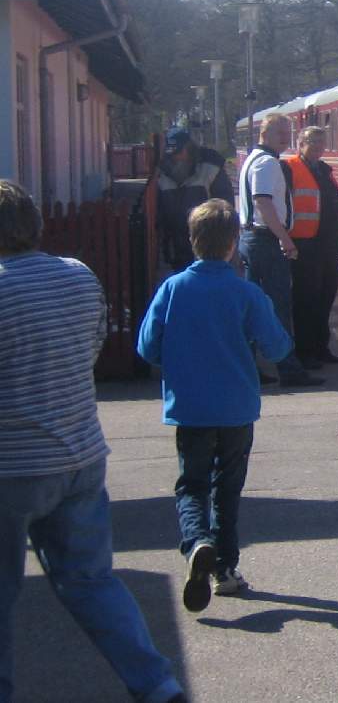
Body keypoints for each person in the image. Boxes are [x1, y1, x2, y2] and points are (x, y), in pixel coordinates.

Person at [0, 180, 185, 703]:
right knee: (92, 582)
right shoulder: (79, 277)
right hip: (80, 454)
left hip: (11, 466)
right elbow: (91, 347)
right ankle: (157, 685)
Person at [137, 199, 292, 610]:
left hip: (189, 406)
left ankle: (197, 542)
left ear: (192, 241)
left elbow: (147, 347)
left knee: (192, 484)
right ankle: (224, 570)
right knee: (228, 489)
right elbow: (278, 347)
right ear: (233, 243)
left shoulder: (171, 289)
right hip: (237, 407)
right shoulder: (246, 293)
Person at [236, 113, 323, 388]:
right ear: (265, 133)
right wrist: (285, 238)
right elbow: (263, 202)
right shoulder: (267, 163)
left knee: (254, 307)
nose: (285, 139)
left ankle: (250, 365)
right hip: (264, 240)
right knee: (279, 307)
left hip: (252, 239)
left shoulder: (253, 159)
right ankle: (289, 369)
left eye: (288, 133)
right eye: (280, 133)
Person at [285, 127, 338, 368]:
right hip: (304, 244)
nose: (317, 147)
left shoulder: (324, 170)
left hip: (328, 245)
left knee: (326, 297)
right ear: (300, 143)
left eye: (321, 143)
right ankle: (305, 352)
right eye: (312, 142)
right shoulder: (289, 168)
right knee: (305, 300)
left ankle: (321, 347)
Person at [156, 126, 234, 269]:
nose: (175, 157)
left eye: (179, 152)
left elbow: (226, 206)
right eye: (171, 153)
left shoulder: (211, 168)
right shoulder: (161, 174)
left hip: (210, 243)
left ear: (189, 148)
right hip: (177, 244)